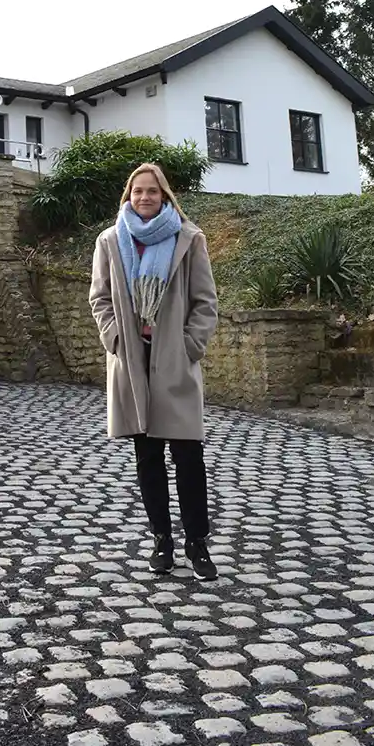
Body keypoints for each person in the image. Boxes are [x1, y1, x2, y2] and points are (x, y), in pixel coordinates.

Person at [89, 162, 219, 579]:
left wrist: (190, 346)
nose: (144, 198)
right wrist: (115, 339)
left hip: (174, 359)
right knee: (147, 456)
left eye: (153, 191)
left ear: (165, 196)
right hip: (133, 359)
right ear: (128, 196)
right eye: (137, 191)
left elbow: (205, 302)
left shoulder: (188, 239)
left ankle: (198, 543)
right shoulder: (110, 241)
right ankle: (162, 541)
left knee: (187, 454)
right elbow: (100, 298)